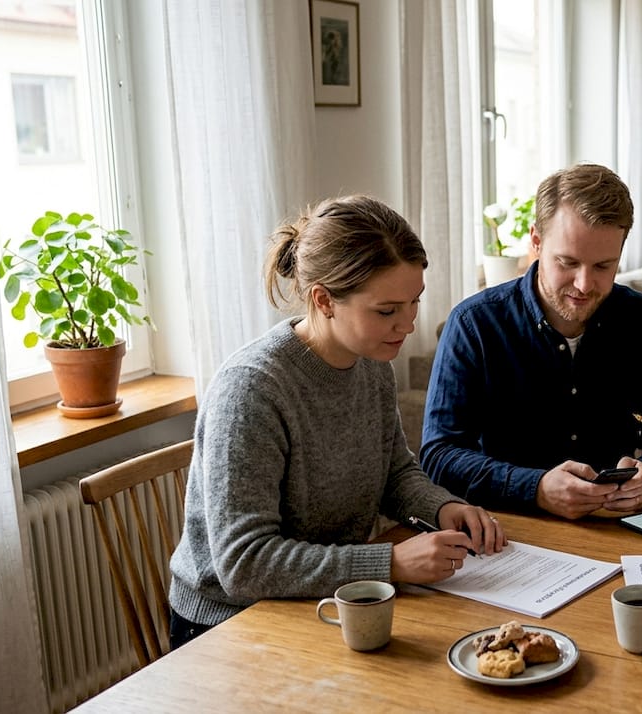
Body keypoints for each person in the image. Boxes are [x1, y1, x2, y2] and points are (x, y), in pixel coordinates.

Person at [168, 195, 506, 648]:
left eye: (414, 302)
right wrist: (390, 563)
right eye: (386, 310)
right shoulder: (251, 391)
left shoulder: (371, 364)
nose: (406, 324)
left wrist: (442, 508)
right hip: (231, 624)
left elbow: (395, 473)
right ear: (324, 300)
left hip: (329, 600)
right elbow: (245, 565)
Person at [421, 164, 642, 520]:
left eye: (603, 266)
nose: (584, 284)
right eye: (568, 262)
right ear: (535, 241)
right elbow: (439, 455)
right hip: (514, 527)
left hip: (616, 525)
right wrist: (535, 488)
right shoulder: (474, 325)